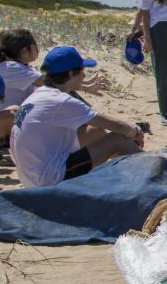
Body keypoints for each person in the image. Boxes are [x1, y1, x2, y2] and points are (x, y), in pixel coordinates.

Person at [9, 47, 143, 187]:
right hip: (48, 180)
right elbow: (117, 126)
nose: (84, 76)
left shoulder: (40, 94)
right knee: (118, 139)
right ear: (71, 73)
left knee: (95, 131)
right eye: (81, 71)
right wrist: (135, 132)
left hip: (30, 177)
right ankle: (152, 176)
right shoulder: (61, 100)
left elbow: (96, 126)